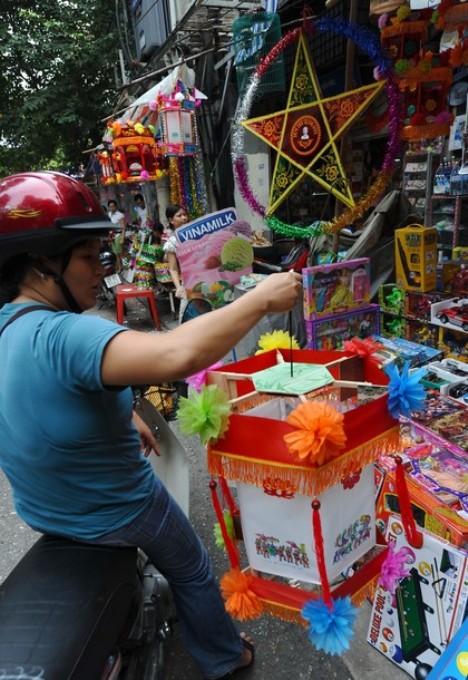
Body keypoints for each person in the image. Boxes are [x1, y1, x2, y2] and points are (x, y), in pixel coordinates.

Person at [0, 172, 302, 680]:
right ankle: (225, 656)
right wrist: (261, 299)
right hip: (117, 508)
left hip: (45, 509)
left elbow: (51, 398)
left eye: (103, 256)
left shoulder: (8, 326)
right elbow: (177, 353)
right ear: (40, 263)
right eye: (88, 256)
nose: (102, 272)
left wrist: (130, 412)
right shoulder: (68, 335)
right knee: (194, 568)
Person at [163, 203, 188, 298]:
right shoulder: (172, 242)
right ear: (171, 220)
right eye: (179, 216)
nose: (184, 218)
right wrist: (178, 287)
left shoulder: (196, 232)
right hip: (189, 282)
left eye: (184, 214)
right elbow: (173, 268)